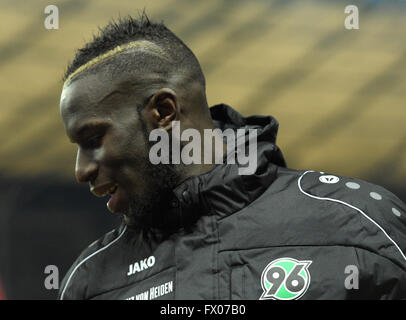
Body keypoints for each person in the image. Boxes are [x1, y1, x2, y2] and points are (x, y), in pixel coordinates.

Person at [58, 14, 406, 300]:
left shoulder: (361, 225)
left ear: (163, 112)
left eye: (92, 139)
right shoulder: (88, 282)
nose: (81, 170)